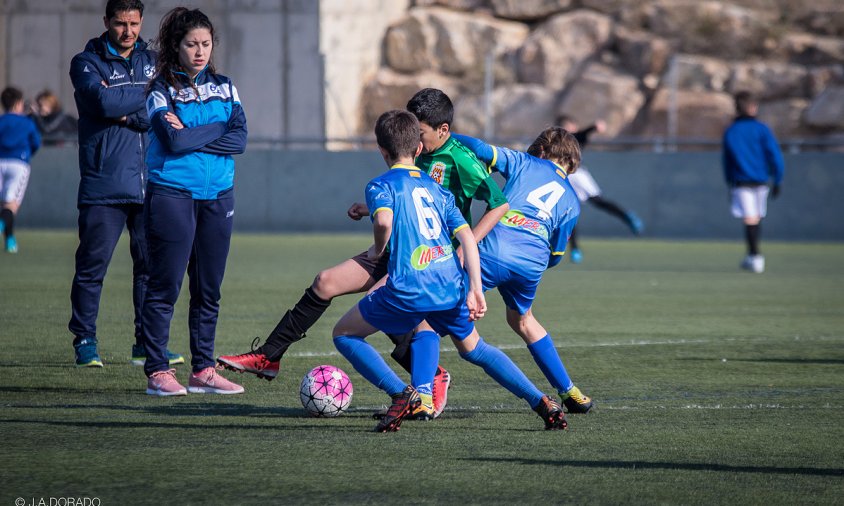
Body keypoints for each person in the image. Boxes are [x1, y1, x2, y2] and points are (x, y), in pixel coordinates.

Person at [217, 88, 509, 419]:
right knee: (325, 281)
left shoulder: (460, 158)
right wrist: (370, 209)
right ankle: (269, 357)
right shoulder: (417, 153)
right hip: (396, 247)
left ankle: (429, 377)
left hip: (426, 258)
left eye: (422, 131)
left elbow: (499, 204)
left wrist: (462, 249)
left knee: (379, 299)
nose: (417, 138)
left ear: (440, 130)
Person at [333, 109, 566, 432]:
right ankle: (541, 400)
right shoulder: (437, 188)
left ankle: (404, 394)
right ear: (417, 149)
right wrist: (473, 287)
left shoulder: (379, 185)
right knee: (474, 348)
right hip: (449, 283)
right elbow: (468, 237)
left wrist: (376, 249)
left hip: (409, 286)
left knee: (345, 333)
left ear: (382, 151)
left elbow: (385, 220)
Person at [68, 0, 184, 367]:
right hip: (104, 183)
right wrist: (145, 99)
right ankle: (85, 339)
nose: (128, 31)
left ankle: (145, 343)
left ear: (141, 22)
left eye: (134, 23)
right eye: (120, 23)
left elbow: (171, 107)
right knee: (92, 267)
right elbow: (100, 101)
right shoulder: (86, 62)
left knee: (150, 268)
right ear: (106, 22)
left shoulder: (154, 61)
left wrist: (125, 110)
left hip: (152, 183)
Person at [142, 6, 248, 396]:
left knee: (208, 288)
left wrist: (200, 130)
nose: (200, 51)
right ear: (176, 45)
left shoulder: (226, 86)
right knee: (165, 285)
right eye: (192, 44)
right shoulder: (160, 90)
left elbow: (239, 139)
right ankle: (157, 371)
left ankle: (203, 369)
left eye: (206, 44)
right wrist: (217, 129)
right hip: (172, 192)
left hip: (218, 196)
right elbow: (172, 141)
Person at [451, 129, 594, 413]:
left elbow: (479, 147)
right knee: (523, 320)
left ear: (541, 150)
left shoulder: (524, 162)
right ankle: (569, 391)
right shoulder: (572, 201)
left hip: (492, 250)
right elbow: (555, 256)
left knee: (433, 312)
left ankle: (425, 392)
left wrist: (442, 135)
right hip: (531, 265)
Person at [556, 115, 643, 263]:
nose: (569, 128)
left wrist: (594, 127)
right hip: (563, 177)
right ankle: (575, 249)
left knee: (598, 201)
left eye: (570, 125)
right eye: (565, 126)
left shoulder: (575, 138)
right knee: (568, 213)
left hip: (578, 175)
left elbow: (582, 134)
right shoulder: (557, 141)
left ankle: (627, 216)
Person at [722, 91, 785, 274]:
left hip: (742, 181)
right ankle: (753, 255)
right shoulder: (761, 129)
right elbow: (775, 156)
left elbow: (727, 161)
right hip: (760, 181)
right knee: (755, 218)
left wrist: (729, 181)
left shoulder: (732, 131)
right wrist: (778, 179)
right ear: (752, 107)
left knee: (751, 219)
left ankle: (755, 256)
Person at [0, 87, 41, 253]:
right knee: (11, 206)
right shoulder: (27, 122)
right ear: (18, 103)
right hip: (18, 164)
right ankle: (4, 229)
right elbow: (35, 143)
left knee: (4, 205)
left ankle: (10, 240)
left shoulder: (1, 121)